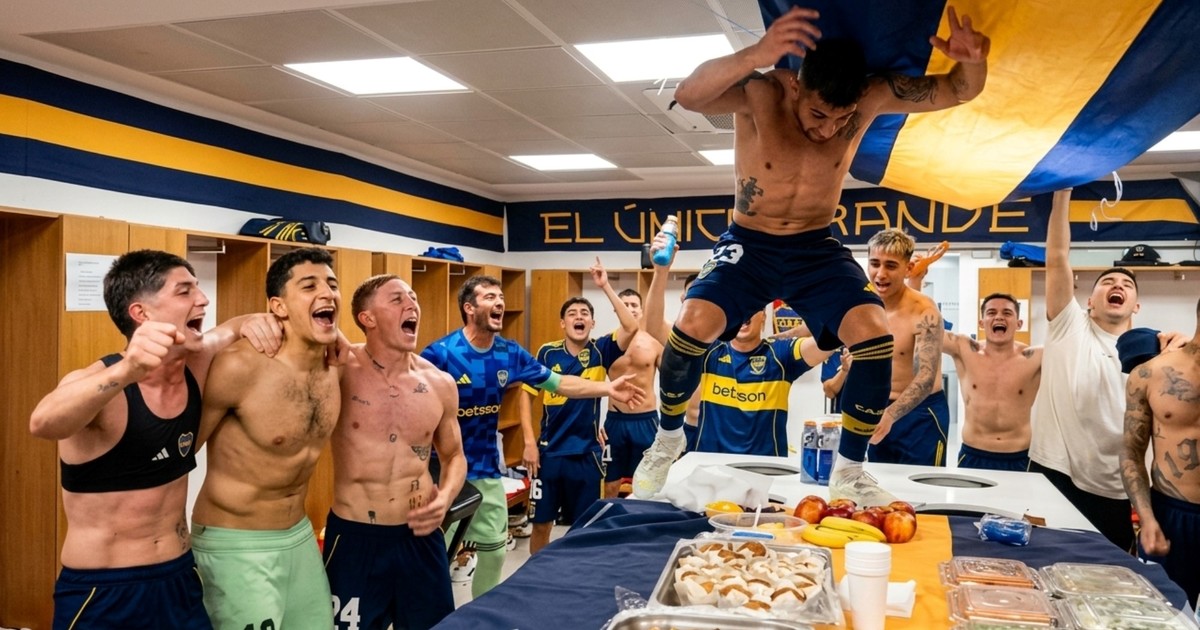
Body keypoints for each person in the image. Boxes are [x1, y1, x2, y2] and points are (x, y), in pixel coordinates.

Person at [632, 4, 989, 503]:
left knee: (873, 333)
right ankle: (668, 439)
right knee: (692, 323)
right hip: (749, 242)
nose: (828, 130)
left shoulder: (869, 97)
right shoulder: (762, 92)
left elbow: (959, 89)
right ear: (798, 87)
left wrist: (972, 60)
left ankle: (850, 469)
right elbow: (689, 96)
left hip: (814, 247)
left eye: (841, 120)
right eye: (819, 115)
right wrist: (757, 53)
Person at [29, 250, 277, 630]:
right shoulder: (100, 383)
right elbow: (43, 422)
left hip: (179, 578)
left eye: (197, 288)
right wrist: (129, 369)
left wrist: (253, 321)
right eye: (185, 291)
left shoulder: (197, 363)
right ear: (141, 313)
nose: (203, 299)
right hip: (105, 590)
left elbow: (233, 327)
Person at [420, 275, 644, 597]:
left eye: (501, 296)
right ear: (469, 308)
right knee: (436, 556)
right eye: (489, 297)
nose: (499, 302)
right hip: (442, 470)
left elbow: (560, 383)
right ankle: (436, 613)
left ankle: (484, 614)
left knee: (495, 551)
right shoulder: (441, 354)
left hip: (486, 469)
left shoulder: (510, 353)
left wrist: (607, 388)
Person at [192, 247, 342, 629]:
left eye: (332, 284)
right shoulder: (240, 366)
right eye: (309, 286)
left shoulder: (336, 366)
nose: (327, 292)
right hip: (236, 543)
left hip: (299, 535)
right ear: (278, 306)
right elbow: (180, 452)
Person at [323, 274, 465, 630]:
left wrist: (445, 498)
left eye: (413, 298)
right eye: (397, 299)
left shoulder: (439, 383)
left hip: (420, 537)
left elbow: (454, 457)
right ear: (367, 317)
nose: (411, 305)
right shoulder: (339, 369)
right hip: (355, 538)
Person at [1029, 188, 1143, 550]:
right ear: (1089, 301)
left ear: (1136, 306)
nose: (1117, 285)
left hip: (1113, 485)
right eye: (1107, 282)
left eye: (1126, 285)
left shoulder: (1149, 351)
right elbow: (1057, 257)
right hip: (1054, 472)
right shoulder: (1070, 325)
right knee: (1040, 563)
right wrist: (1063, 193)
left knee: (1107, 573)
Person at [521, 271, 635, 553]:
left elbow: (631, 327)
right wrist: (528, 442)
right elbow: (526, 395)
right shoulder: (547, 353)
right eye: (572, 314)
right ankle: (537, 573)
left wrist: (605, 286)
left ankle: (579, 572)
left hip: (587, 454)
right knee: (541, 525)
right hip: (549, 454)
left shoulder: (601, 350)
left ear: (592, 323)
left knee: (586, 527)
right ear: (563, 323)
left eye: (585, 313)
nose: (579, 317)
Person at [1121, 298, 1200, 605]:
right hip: (1170, 515)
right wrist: (1147, 518)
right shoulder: (1150, 374)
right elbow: (1131, 452)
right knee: (1166, 614)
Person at [688, 309, 833, 455]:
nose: (744, 310)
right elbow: (677, 327)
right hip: (711, 462)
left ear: (763, 316)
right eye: (738, 306)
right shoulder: (710, 351)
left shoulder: (780, 353)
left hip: (764, 465)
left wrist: (798, 322)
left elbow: (833, 338)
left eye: (751, 305)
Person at [864, 228, 948, 466]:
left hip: (921, 414)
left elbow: (926, 377)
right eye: (875, 264)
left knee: (920, 484)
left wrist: (891, 415)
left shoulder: (924, 311)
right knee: (879, 480)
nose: (881, 274)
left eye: (890, 266)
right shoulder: (863, 304)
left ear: (908, 268)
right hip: (878, 407)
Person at [943, 293, 1042, 471]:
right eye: (991, 312)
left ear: (1019, 324)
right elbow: (926, 332)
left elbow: (1072, 347)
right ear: (981, 323)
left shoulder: (1035, 357)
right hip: (974, 455)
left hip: (1019, 458)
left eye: (1007, 313)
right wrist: (915, 282)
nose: (999, 317)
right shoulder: (965, 349)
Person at [601, 257, 670, 498]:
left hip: (646, 420)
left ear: (641, 310)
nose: (629, 309)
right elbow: (590, 382)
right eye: (624, 305)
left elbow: (671, 383)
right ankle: (609, 519)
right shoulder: (607, 345)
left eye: (634, 305)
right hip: (615, 421)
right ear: (616, 309)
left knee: (647, 482)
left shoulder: (654, 343)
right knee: (610, 481)